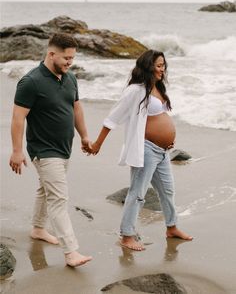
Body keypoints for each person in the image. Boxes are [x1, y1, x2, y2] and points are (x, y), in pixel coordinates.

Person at [90, 49, 193, 251]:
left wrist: (167, 141)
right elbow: (112, 118)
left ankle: (172, 228)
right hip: (146, 149)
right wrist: (97, 144)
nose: (162, 69)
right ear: (148, 66)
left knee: (168, 191)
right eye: (158, 65)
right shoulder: (135, 90)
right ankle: (127, 235)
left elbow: (157, 118)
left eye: (164, 65)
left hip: (162, 152)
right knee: (137, 193)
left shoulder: (157, 87)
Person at [9, 33, 92, 266]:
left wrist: (84, 136)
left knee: (45, 191)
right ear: (51, 53)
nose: (69, 62)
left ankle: (37, 228)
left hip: (64, 148)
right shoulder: (31, 82)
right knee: (58, 198)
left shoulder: (70, 78)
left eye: (72, 58)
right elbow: (17, 119)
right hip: (43, 150)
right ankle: (71, 251)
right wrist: (17, 151)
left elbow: (76, 108)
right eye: (66, 58)